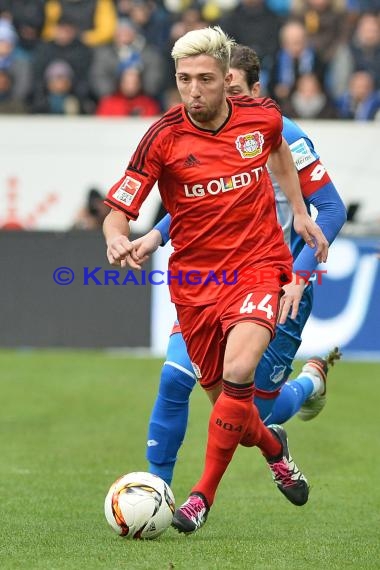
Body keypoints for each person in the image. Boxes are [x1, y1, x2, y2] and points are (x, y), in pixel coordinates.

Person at [103, 26, 328, 535]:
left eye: (205, 78)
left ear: (225, 78)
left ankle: (199, 497)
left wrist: (298, 211)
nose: (194, 90)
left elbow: (279, 153)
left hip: (257, 265)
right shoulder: (162, 136)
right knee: (236, 412)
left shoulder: (262, 117)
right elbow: (119, 208)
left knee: (240, 367)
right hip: (196, 282)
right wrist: (117, 236)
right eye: (184, 79)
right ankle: (274, 446)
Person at [139, 44, 346, 490]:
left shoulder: (284, 135)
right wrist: (157, 234)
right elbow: (203, 198)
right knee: (174, 380)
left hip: (274, 282)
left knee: (257, 415)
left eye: (229, 88)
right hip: (211, 279)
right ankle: (159, 492)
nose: (215, 100)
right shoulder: (207, 129)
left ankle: (309, 384)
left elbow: (330, 209)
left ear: (256, 89)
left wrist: (298, 275)